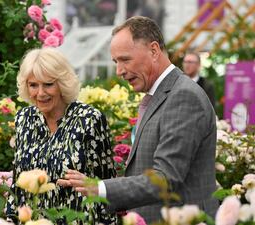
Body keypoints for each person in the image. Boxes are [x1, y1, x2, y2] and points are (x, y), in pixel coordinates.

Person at [58, 16, 219, 223]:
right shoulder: (160, 95)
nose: (119, 71)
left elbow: (165, 178)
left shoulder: (183, 96)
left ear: (153, 51)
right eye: (116, 62)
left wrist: (98, 187)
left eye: (125, 59)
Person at [6, 47, 117, 224]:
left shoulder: (88, 120)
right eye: (33, 85)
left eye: (48, 84)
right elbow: (17, 184)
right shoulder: (24, 119)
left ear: (62, 83)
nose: (40, 93)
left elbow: (107, 184)